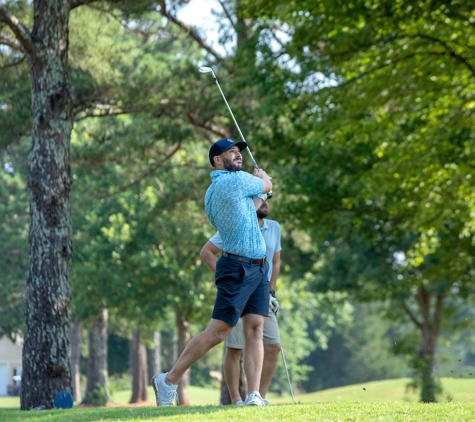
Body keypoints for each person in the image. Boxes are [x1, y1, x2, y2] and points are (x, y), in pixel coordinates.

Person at [152, 138, 272, 407]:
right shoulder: (234, 181)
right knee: (218, 332)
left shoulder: (218, 189)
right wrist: (264, 180)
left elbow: (249, 209)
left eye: (239, 152)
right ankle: (169, 380)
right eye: (231, 152)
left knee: (255, 328)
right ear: (217, 160)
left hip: (257, 267)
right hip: (239, 267)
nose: (238, 155)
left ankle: (254, 395)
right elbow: (267, 184)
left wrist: (261, 194)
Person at [200, 199, 282, 406]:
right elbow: (206, 252)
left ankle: (258, 397)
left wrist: (271, 290)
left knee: (273, 346)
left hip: (262, 293)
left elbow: (275, 261)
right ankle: (236, 399)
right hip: (238, 291)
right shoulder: (236, 227)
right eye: (260, 197)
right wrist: (229, 279)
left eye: (267, 197)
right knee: (235, 348)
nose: (264, 202)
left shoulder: (274, 227)